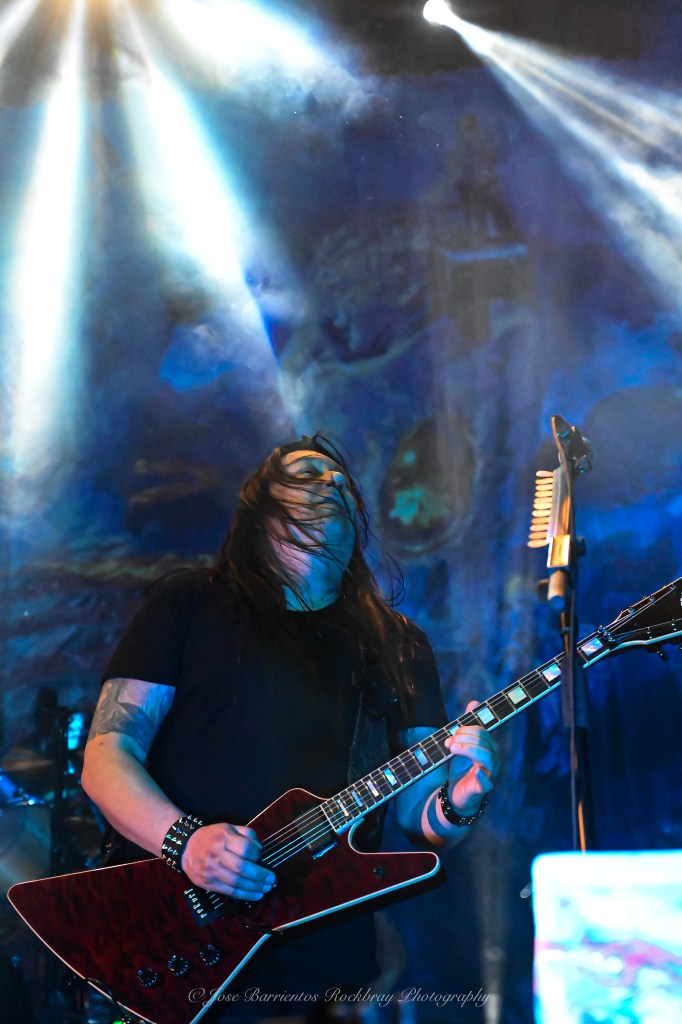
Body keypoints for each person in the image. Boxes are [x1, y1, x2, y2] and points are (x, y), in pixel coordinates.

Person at [81, 434, 499, 1020]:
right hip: (173, 933)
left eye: (340, 479)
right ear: (260, 505)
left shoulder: (399, 645)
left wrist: (463, 798)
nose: (333, 481)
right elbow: (106, 756)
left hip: (323, 965)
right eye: (308, 473)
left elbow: (419, 816)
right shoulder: (189, 602)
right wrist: (187, 843)